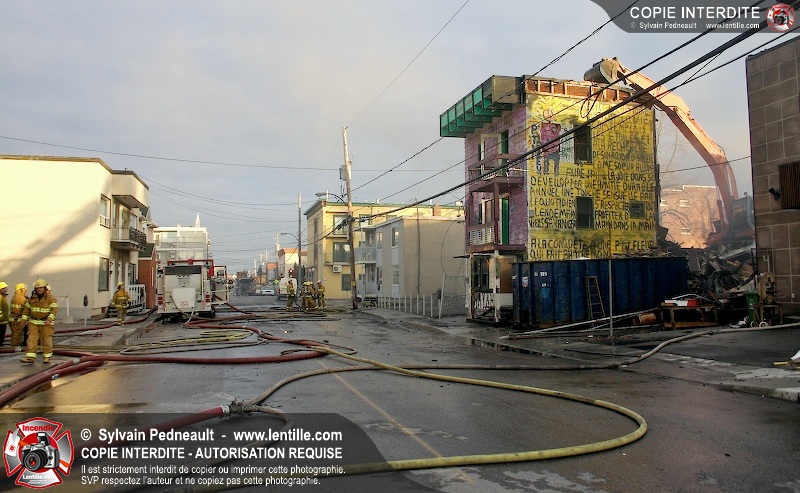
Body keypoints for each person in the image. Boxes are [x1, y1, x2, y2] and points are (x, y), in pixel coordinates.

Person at [20, 279, 58, 364]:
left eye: (41, 288)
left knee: (46, 340)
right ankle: (30, 357)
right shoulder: (32, 298)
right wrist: (23, 320)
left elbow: (54, 310)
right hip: (33, 322)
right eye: (37, 288)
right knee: (31, 340)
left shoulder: (51, 298)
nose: (39, 289)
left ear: (44, 288)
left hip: (46, 323)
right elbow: (27, 310)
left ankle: (47, 357)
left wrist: (49, 319)